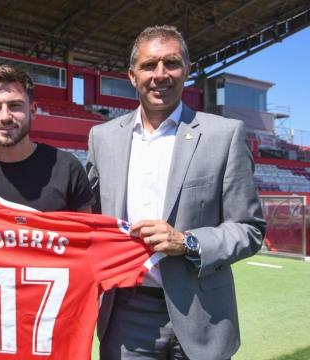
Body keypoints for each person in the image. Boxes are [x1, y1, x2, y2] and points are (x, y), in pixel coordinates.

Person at [86, 25, 265, 359]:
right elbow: (86, 219)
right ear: (131, 75)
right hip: (126, 312)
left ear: (188, 70)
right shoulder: (102, 138)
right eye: (148, 65)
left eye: (171, 63)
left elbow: (251, 229)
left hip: (204, 313)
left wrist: (187, 242)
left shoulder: (223, 135)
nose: (160, 74)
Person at [0, 65, 94, 212]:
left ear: (32, 110)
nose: (5, 117)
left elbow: (88, 235)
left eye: (15, 105)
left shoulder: (67, 169)